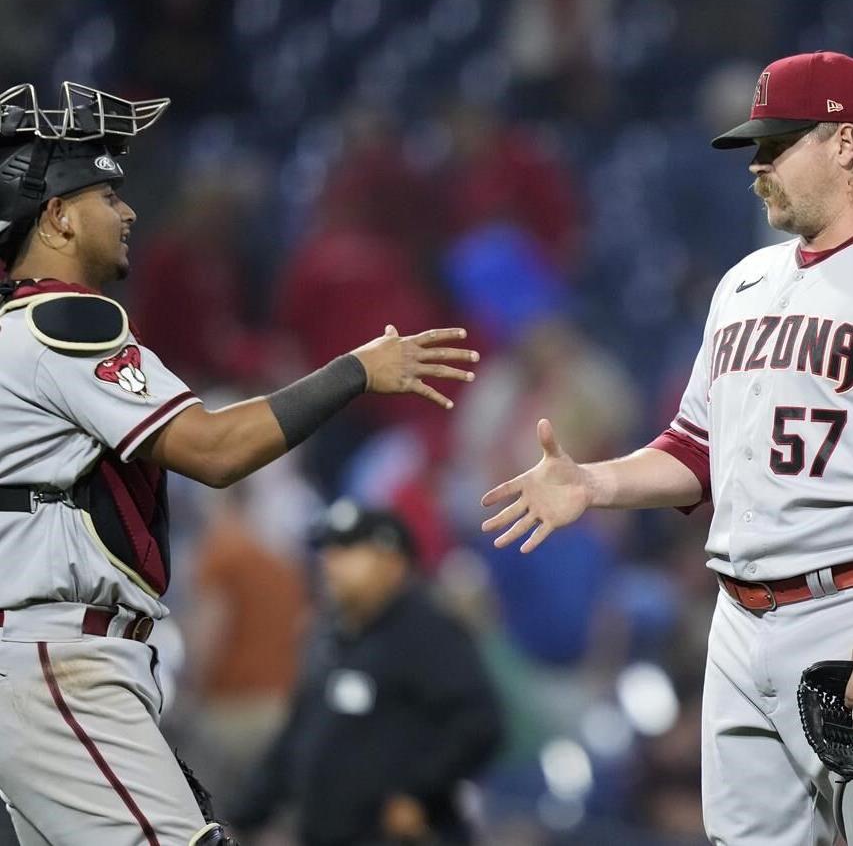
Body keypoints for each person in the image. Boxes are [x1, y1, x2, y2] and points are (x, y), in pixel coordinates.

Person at [0, 83, 478, 846]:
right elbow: (214, 450)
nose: (126, 212)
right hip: (58, 660)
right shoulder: (63, 321)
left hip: (41, 659)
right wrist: (354, 369)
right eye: (105, 193)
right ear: (56, 215)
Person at [482, 50, 853, 845]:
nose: (755, 166)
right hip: (738, 619)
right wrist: (592, 482)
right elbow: (694, 446)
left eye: (777, 142)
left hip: (841, 609)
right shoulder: (742, 284)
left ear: (844, 141)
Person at [231, 499, 503, 846]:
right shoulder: (335, 638)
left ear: (391, 561)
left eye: (346, 550)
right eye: (327, 550)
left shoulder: (426, 631)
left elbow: (480, 721)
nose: (329, 563)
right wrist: (243, 817)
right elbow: (297, 740)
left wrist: (418, 793)